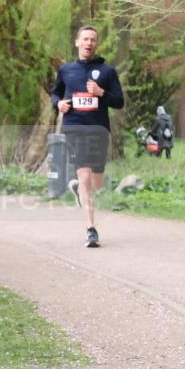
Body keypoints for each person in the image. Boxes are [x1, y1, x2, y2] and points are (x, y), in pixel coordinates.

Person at [51, 26, 125, 247]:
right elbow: (56, 93)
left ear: (96, 44)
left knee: (97, 182)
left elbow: (119, 102)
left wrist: (102, 93)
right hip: (74, 127)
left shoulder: (107, 71)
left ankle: (79, 190)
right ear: (77, 42)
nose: (89, 43)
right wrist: (59, 103)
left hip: (99, 129)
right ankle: (91, 229)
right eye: (85, 39)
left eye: (93, 39)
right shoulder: (66, 70)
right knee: (84, 177)